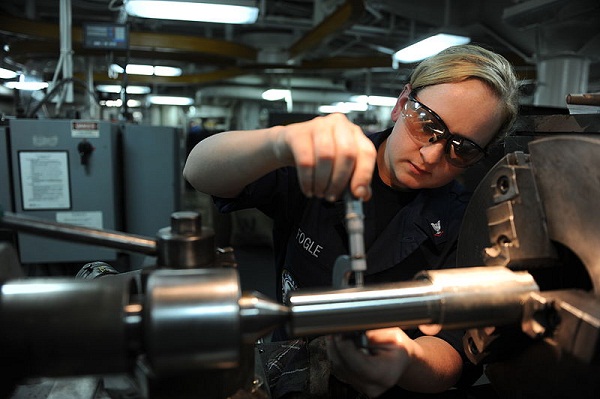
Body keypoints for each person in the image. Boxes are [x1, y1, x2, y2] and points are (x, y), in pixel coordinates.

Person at [183, 44, 519, 398]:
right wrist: (278, 143)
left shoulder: (467, 224)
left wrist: (406, 358)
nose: (432, 154)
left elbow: (451, 356)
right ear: (402, 103)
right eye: (427, 124)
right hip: (289, 372)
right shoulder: (325, 160)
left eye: (462, 148)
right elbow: (199, 172)